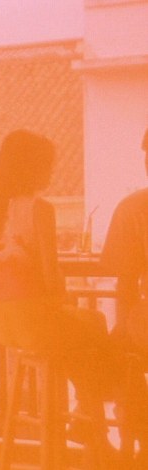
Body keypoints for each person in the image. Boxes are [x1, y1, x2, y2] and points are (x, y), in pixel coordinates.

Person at [0, 129, 124, 447]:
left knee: (80, 351)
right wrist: (63, 298)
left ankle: (89, 420)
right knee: (95, 323)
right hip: (37, 321)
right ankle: (99, 409)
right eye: (47, 165)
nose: (51, 172)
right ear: (30, 167)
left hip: (6, 322)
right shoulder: (40, 209)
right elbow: (49, 271)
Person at [102, 127, 148, 356]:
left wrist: (122, 327)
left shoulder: (133, 209)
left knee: (105, 352)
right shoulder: (134, 209)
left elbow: (126, 282)